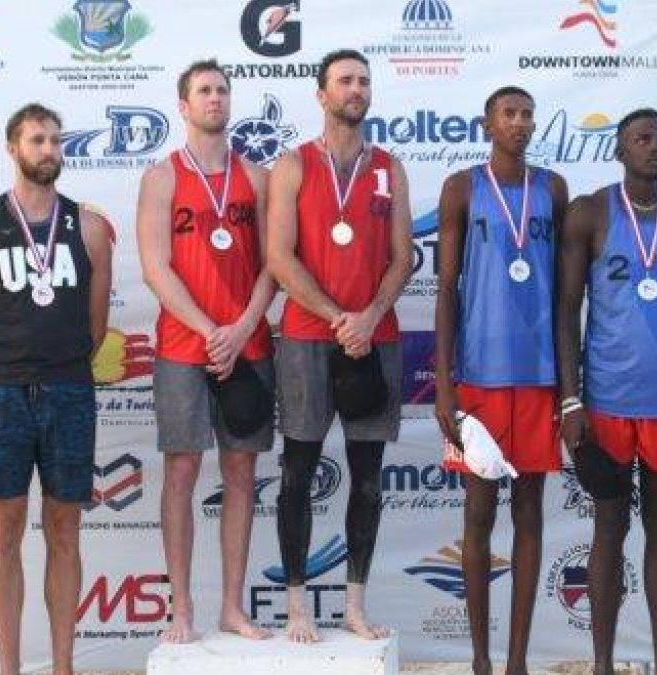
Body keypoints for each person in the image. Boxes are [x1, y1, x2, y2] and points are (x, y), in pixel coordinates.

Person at [555, 108, 657, 675]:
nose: (655, 146)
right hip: (606, 401)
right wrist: (571, 399)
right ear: (620, 151)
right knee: (609, 527)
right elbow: (566, 311)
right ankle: (602, 664)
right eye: (642, 138)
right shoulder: (589, 213)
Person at [0, 103, 112, 675]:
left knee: (65, 529)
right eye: (37, 140)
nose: (48, 150)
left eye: (55, 140)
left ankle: (63, 666)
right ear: (12, 148)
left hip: (69, 392)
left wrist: (61, 371)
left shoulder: (89, 227)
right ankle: (9, 668)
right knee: (4, 533)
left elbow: (96, 328)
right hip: (1, 395)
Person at [266, 48, 412, 643]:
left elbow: (404, 257)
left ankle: (355, 604)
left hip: (375, 339)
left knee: (369, 480)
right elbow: (279, 258)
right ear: (322, 95)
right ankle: (297, 607)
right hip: (307, 338)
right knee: (297, 475)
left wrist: (368, 317)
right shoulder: (292, 165)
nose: (357, 89)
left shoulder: (389, 168)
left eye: (364, 81)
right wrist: (338, 318)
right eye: (345, 81)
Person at [136, 59, 276, 643]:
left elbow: (274, 264)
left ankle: (232, 608)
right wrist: (210, 330)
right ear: (183, 105)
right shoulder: (161, 177)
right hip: (183, 348)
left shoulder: (258, 178)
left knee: (241, 471)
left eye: (221, 90)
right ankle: (183, 608)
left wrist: (240, 328)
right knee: (182, 471)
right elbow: (155, 267)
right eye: (203, 91)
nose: (215, 98)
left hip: (248, 344)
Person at [433, 86, 568, 675]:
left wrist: (570, 386)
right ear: (487, 124)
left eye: (527, 114)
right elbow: (445, 289)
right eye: (509, 114)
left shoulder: (553, 189)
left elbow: (566, 294)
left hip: (538, 374)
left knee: (530, 510)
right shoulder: (462, 187)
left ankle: (517, 660)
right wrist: (444, 384)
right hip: (480, 375)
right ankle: (481, 659)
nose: (520, 122)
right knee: (478, 512)